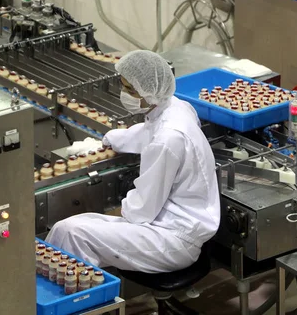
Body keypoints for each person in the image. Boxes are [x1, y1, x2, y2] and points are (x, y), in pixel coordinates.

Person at [46, 50, 220, 273]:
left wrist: (103, 216)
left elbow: (141, 210)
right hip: (176, 223)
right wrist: (107, 141)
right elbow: (149, 131)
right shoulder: (177, 107)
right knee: (73, 229)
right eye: (123, 86)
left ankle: (76, 302)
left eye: (130, 89)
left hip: (173, 239)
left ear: (151, 91)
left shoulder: (167, 140)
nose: (123, 93)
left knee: (71, 232)